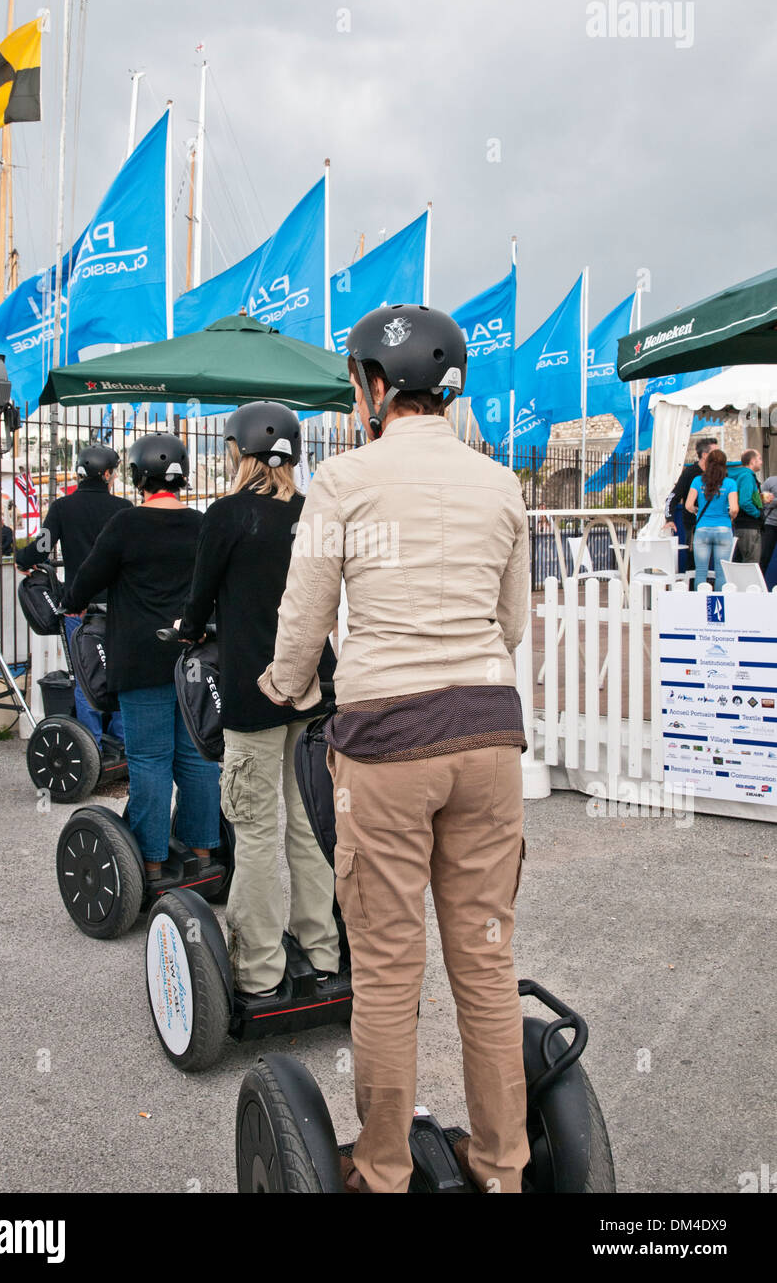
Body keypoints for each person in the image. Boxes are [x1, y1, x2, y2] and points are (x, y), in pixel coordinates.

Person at [259, 304, 531, 1194]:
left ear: (376, 387)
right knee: (486, 960)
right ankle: (502, 1168)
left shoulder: (342, 481)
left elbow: (303, 622)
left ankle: (379, 1171)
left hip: (386, 744)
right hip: (488, 734)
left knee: (384, 970)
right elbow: (513, 626)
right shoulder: (499, 482)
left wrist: (283, 687)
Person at [179, 402, 340, 997]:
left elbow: (199, 603)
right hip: (316, 688)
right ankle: (322, 952)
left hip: (252, 693)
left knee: (254, 831)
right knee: (309, 827)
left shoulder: (225, 516)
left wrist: (189, 629)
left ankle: (260, 970)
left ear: (239, 452)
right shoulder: (312, 514)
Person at [62, 433, 220, 880]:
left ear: (136, 476)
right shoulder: (201, 523)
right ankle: (204, 857)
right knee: (196, 758)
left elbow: (86, 581)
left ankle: (149, 863)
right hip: (193, 658)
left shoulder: (126, 525)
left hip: (141, 660)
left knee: (149, 760)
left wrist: (71, 599)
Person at [17, 444, 131, 746]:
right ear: (106, 474)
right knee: (119, 673)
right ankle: (122, 741)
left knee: (85, 674)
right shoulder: (123, 508)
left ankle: (89, 743)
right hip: (119, 607)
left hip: (78, 607)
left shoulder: (62, 507)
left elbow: (41, 548)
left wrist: (21, 560)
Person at [685, 447, 738, 590]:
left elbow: (688, 505)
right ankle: (719, 607)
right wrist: (731, 518)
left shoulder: (697, 481)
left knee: (701, 572)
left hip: (702, 529)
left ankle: (700, 605)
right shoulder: (730, 483)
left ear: (708, 463)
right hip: (723, 529)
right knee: (721, 573)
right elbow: (734, 509)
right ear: (724, 464)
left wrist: (697, 512)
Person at [664, 437, 719, 568]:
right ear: (705, 455)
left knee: (716, 563)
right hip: (695, 526)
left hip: (716, 523)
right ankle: (693, 587)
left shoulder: (720, 473)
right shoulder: (690, 473)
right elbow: (672, 497)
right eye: (716, 452)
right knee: (695, 562)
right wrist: (669, 518)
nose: (720, 456)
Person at [727, 449, 764, 563]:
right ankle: (749, 582)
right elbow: (744, 501)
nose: (761, 462)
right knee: (751, 561)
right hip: (749, 526)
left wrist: (761, 498)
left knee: (740, 561)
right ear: (752, 461)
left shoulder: (743, 475)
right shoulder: (747, 476)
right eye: (759, 459)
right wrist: (758, 514)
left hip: (742, 525)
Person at [759, 467, 777, 575]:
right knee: (763, 558)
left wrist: (771, 500)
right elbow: (759, 499)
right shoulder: (771, 480)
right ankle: (757, 588)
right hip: (769, 525)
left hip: (769, 524)